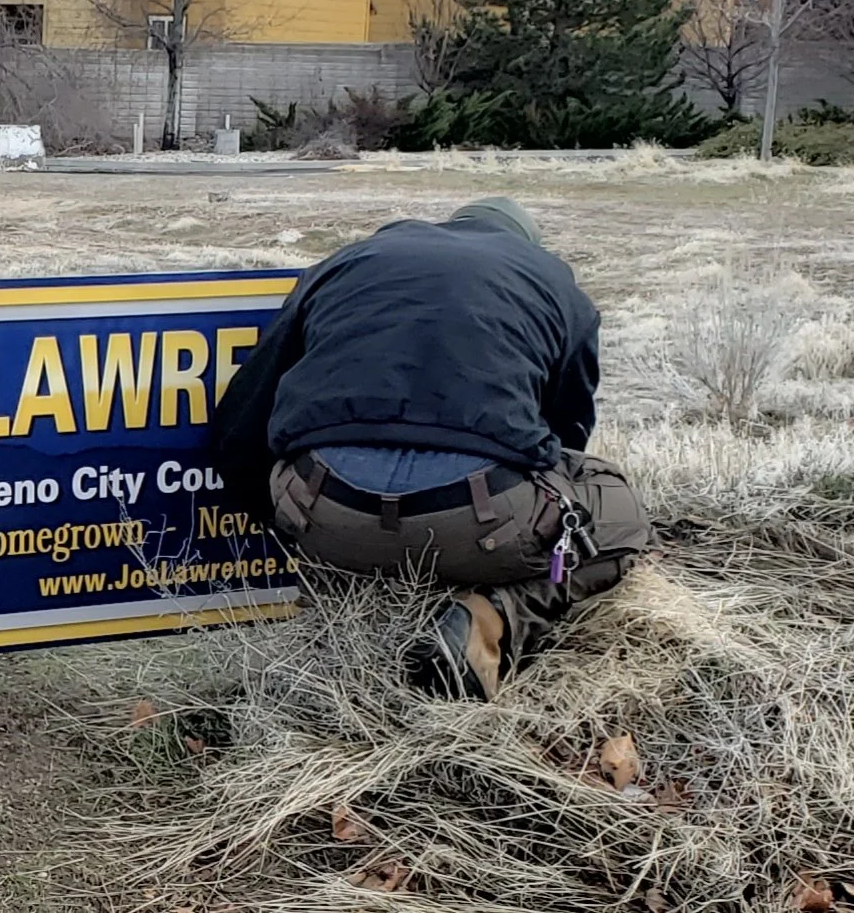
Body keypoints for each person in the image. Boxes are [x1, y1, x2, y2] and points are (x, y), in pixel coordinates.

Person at [210, 197, 653, 700]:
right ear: (524, 243)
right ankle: (489, 619)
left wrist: (293, 536)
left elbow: (242, 421)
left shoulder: (347, 261)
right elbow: (567, 436)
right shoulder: (556, 285)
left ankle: (352, 599)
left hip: (323, 510)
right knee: (623, 517)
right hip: (479, 521)